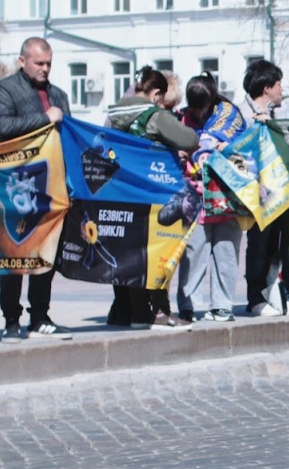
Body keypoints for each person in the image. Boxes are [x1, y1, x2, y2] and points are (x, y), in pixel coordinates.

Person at [0, 37, 72, 342]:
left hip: (51, 187)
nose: (45, 69)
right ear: (22, 61)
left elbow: (68, 136)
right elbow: (4, 127)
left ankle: (40, 317)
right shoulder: (4, 90)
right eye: (39, 63)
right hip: (15, 186)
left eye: (49, 63)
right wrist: (44, 119)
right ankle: (11, 319)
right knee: (14, 255)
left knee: (45, 255)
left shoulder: (59, 94)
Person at [104, 67, 199, 328]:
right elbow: (189, 138)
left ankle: (136, 313)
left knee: (132, 257)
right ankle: (159, 312)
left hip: (123, 194)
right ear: (156, 94)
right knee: (159, 254)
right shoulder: (154, 116)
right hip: (153, 195)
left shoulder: (114, 114)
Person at [179, 74, 245, 322]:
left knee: (226, 251)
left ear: (212, 101)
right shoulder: (180, 118)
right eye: (193, 108)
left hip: (226, 195)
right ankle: (188, 304)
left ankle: (222, 305)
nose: (197, 113)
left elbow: (242, 148)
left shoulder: (230, 116)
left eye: (202, 107)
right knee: (193, 252)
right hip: (195, 196)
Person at [239, 60, 289, 316]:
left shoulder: (279, 114)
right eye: (278, 84)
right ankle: (256, 298)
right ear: (267, 88)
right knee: (259, 246)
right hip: (256, 193)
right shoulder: (241, 114)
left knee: (281, 246)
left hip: (282, 192)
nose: (282, 89)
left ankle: (281, 295)